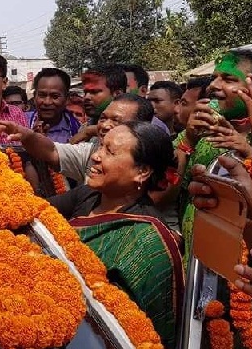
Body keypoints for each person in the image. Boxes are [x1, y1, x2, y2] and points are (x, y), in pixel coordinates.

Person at [48, 121, 183, 347]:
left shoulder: (147, 242)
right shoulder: (88, 195)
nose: (96, 156)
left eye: (109, 152)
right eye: (100, 146)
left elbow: (139, 328)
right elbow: (38, 213)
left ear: (142, 172)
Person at [176, 49, 252, 258]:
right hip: (197, 264)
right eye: (214, 78)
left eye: (229, 79)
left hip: (250, 271)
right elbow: (170, 186)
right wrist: (188, 140)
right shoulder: (204, 131)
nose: (213, 86)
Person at [0, 94, 155, 185]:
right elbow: (52, 151)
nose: (105, 126)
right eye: (103, 118)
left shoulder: (155, 158)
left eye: (116, 121)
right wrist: (26, 135)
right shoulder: (92, 149)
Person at [28, 68, 81, 143]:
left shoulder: (78, 130)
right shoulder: (21, 122)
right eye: (42, 95)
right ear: (34, 97)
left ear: (67, 99)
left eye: (55, 96)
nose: (47, 102)